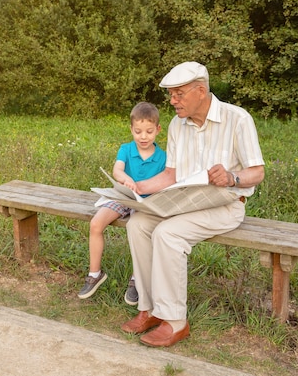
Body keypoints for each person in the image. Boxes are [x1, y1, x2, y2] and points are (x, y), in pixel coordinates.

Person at [120, 62, 265, 347]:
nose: (172, 101)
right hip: (184, 203)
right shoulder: (177, 124)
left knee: (167, 233)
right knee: (137, 224)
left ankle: (175, 321)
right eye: (171, 95)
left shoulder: (238, 119)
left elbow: (257, 172)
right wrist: (136, 189)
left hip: (224, 206)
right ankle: (148, 309)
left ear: (200, 91)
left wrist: (232, 177)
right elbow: (171, 175)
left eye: (178, 94)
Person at [78, 102, 166, 305]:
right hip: (123, 196)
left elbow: (164, 181)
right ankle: (95, 274)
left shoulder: (163, 157)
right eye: (138, 131)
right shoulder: (126, 149)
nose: (143, 137)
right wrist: (125, 179)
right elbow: (117, 170)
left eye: (149, 132)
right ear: (131, 129)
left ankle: (137, 279)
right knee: (96, 224)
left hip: (144, 203)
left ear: (158, 130)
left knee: (139, 233)